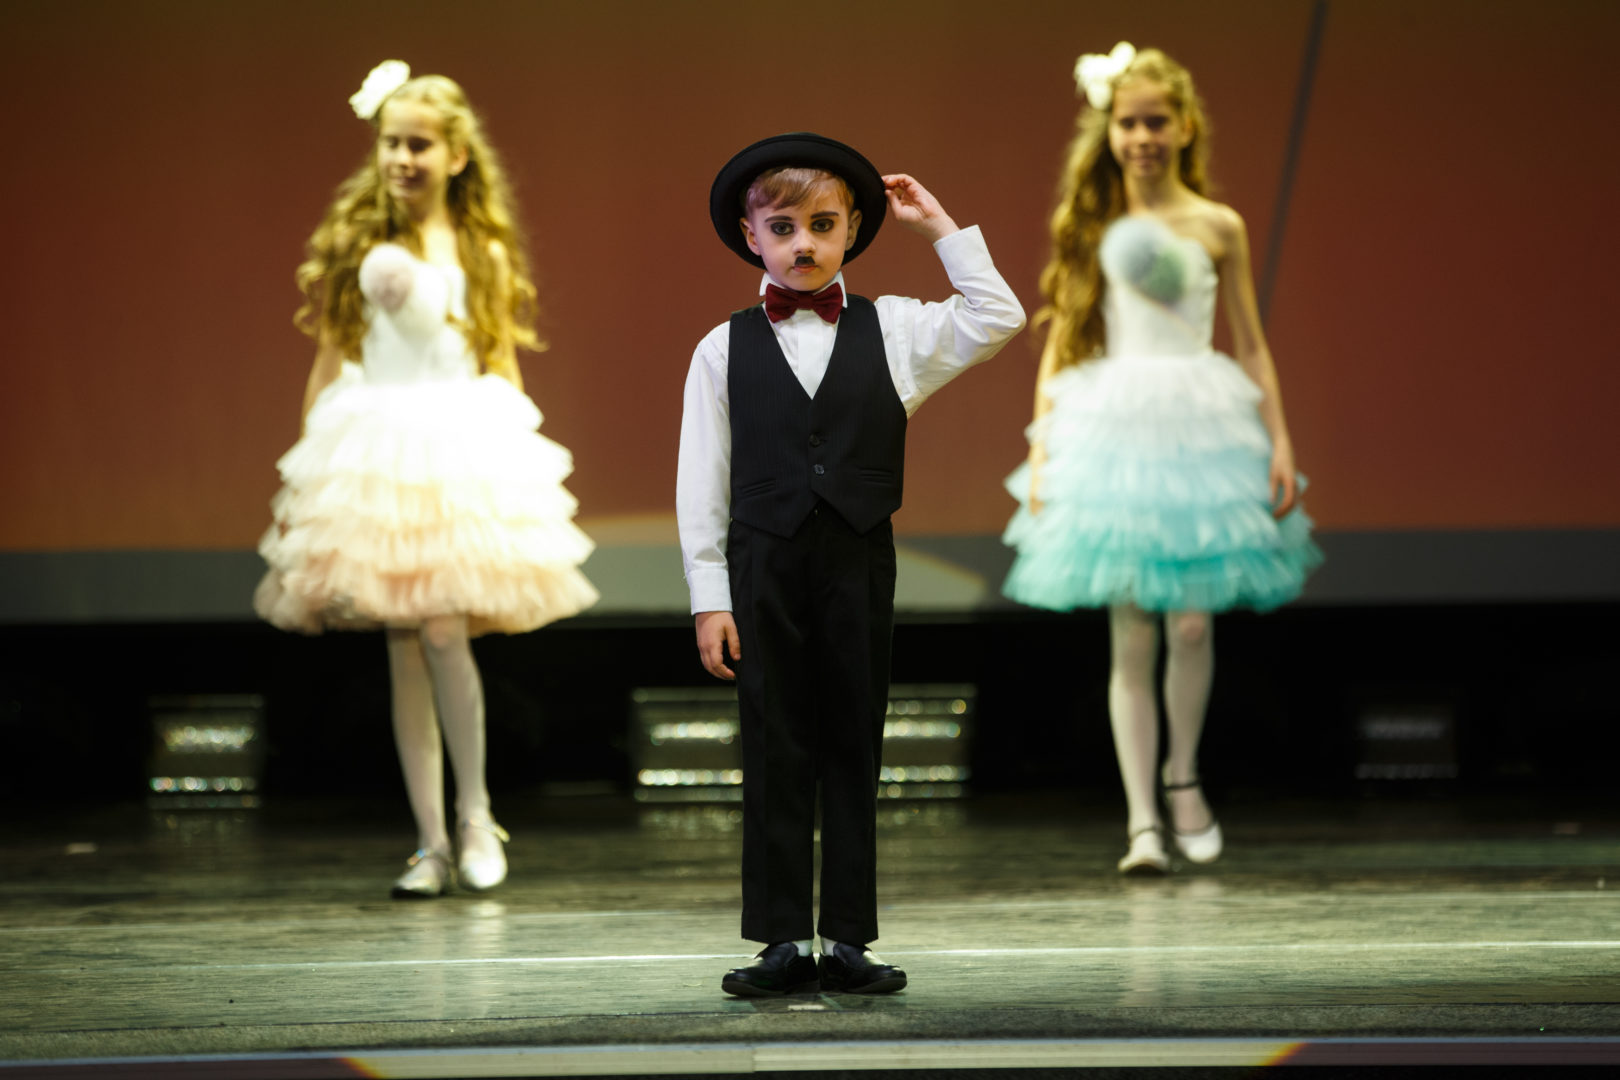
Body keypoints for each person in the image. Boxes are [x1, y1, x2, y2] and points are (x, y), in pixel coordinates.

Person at [678, 133, 1025, 995]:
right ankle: (780, 939)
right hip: (762, 565)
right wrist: (709, 597)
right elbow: (701, 484)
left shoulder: (896, 328)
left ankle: (847, 939)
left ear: (853, 230)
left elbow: (998, 316)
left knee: (852, 744)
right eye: (783, 228)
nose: (803, 244)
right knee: (774, 745)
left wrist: (937, 226)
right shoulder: (721, 349)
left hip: (856, 559)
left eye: (823, 225)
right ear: (751, 237)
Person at [255, 61, 598, 898]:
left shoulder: (480, 249)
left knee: (443, 633)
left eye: (418, 144)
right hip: (378, 452)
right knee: (405, 647)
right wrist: (312, 485)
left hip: (455, 447)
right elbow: (331, 360)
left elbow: (498, 358)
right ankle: (430, 843)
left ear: (455, 155)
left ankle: (477, 817)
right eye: (390, 143)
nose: (402, 159)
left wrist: (514, 464)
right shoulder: (355, 246)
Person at [1002, 44, 1321, 875]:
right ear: (1109, 130)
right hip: (1116, 428)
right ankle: (1143, 822)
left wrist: (1280, 438)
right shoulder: (1093, 224)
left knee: (1190, 620)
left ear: (1184, 128)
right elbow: (1062, 342)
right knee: (1135, 628)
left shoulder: (1219, 225)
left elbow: (1250, 342)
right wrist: (1043, 448)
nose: (1142, 136)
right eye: (1128, 122)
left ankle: (1183, 779)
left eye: (1156, 121)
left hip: (1201, 424)